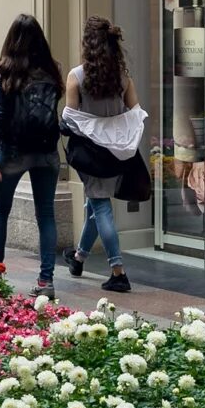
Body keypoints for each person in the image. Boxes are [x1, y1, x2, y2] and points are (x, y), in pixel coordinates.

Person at [61, 16, 144, 293]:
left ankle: (118, 271)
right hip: (117, 154)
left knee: (101, 207)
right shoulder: (123, 77)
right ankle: (78, 258)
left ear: (88, 44)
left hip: (90, 155)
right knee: (94, 207)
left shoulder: (77, 77)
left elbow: (71, 119)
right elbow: (136, 114)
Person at [0, 14, 63, 293]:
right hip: (47, 152)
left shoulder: (3, 69)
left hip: (13, 151)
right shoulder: (53, 70)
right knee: (46, 215)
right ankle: (46, 280)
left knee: (0, 211)